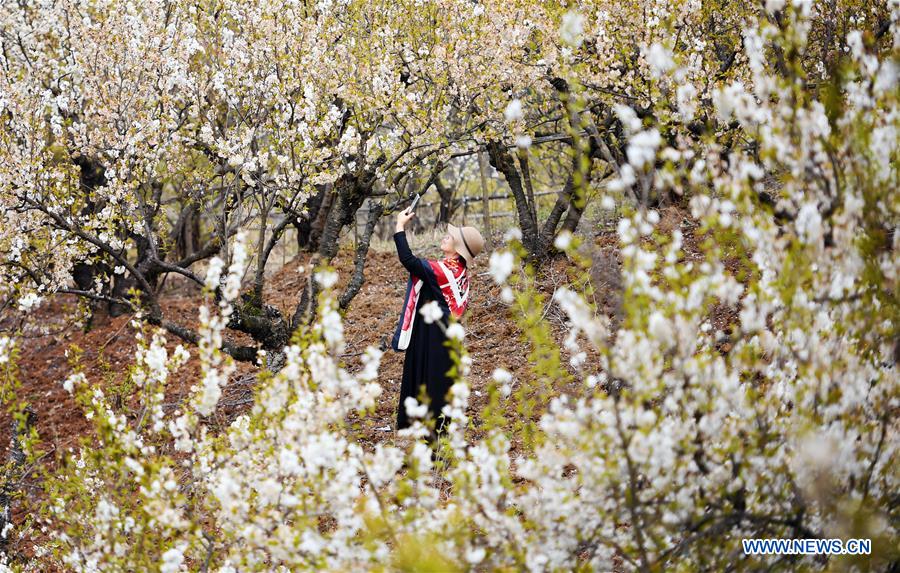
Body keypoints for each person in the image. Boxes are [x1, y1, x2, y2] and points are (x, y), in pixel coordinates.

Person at [391, 207, 484, 439]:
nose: (445, 236)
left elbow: (409, 261)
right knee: (436, 385)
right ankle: (434, 441)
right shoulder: (458, 271)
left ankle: (435, 449)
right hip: (437, 334)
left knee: (433, 386)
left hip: (436, 338)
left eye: (450, 237)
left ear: (458, 250)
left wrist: (399, 227)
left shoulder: (446, 272)